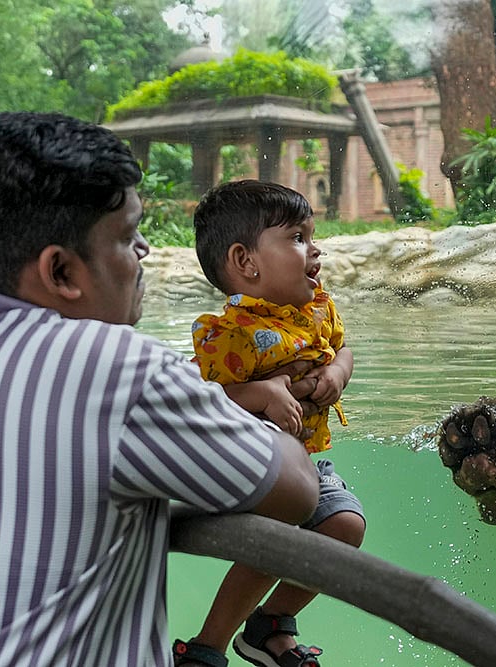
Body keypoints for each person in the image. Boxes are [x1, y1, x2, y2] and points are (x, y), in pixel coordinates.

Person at [0, 112, 320, 667]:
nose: (145, 252)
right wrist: (269, 393)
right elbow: (297, 491)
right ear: (61, 272)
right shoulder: (118, 368)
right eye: (128, 236)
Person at [181, 180, 365, 667]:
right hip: (251, 470)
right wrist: (260, 392)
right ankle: (207, 646)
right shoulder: (228, 336)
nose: (315, 248)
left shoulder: (318, 309)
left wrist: (335, 375)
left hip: (304, 463)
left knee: (346, 526)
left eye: (312, 235)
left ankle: (270, 624)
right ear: (246, 262)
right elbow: (200, 402)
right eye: (298, 237)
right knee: (281, 521)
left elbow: (344, 349)